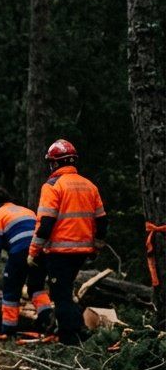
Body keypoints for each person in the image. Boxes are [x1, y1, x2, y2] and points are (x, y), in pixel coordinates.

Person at [27, 139, 107, 345]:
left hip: (60, 252)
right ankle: (78, 331)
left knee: (60, 295)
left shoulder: (53, 186)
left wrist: (33, 251)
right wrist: (96, 246)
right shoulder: (90, 185)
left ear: (54, 163)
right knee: (66, 290)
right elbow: (102, 221)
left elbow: (45, 223)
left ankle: (70, 339)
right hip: (82, 251)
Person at [0, 187, 46, 336]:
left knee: (11, 290)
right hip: (39, 250)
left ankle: (8, 330)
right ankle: (47, 319)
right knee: (36, 288)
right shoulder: (26, 210)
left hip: (20, 251)